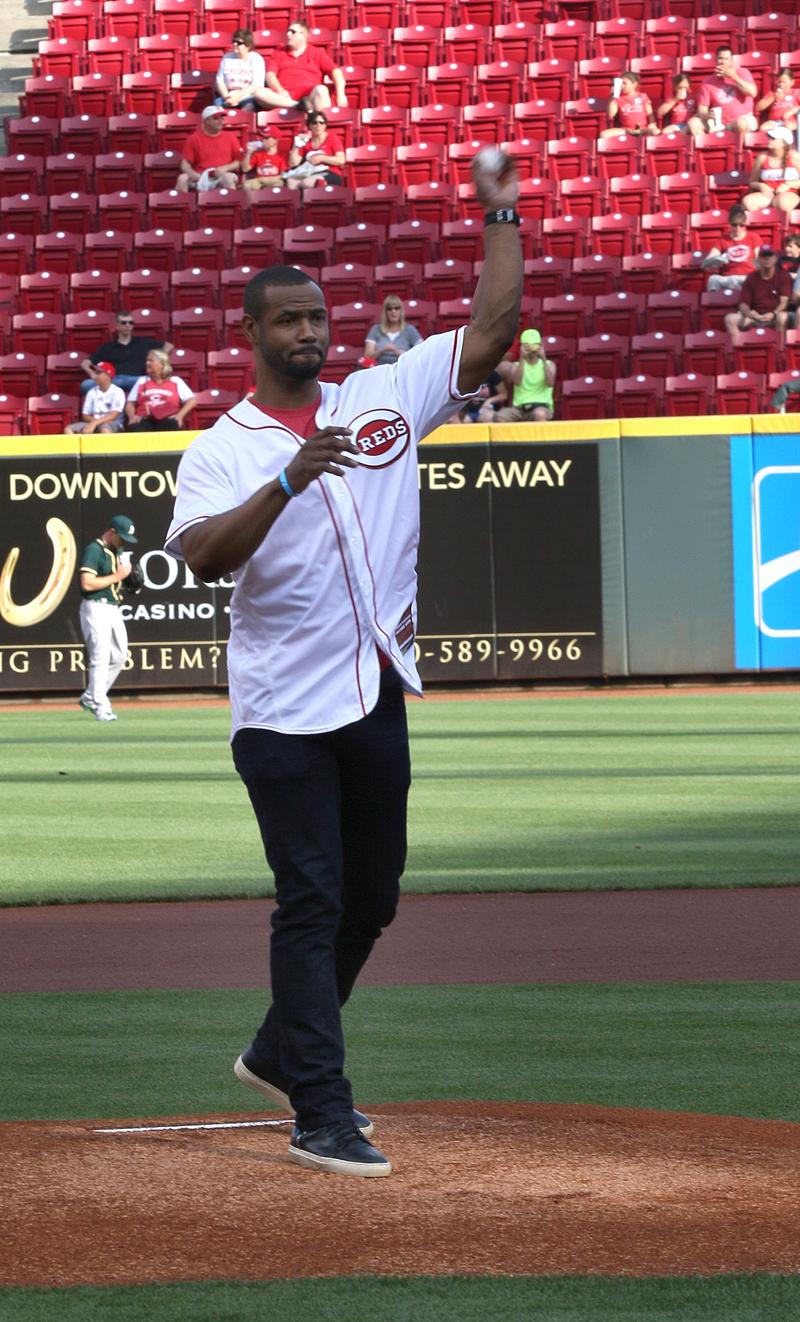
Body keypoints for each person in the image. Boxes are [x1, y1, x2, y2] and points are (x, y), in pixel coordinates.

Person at [163, 148, 523, 1178]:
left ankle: (279, 1046)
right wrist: (284, 479)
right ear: (252, 333)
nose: (309, 332)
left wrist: (500, 218)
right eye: (288, 319)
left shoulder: (381, 396)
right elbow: (201, 558)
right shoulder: (223, 446)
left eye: (317, 316)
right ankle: (320, 1107)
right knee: (310, 898)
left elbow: (491, 330)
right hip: (279, 711)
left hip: (370, 691)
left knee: (372, 898)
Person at [77, 514, 136, 722]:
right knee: (100, 657)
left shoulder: (115, 550)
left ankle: (90, 696)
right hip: (95, 607)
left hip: (112, 607)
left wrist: (126, 581)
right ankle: (101, 707)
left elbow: (118, 579)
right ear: (111, 532)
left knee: (120, 656)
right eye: (121, 538)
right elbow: (87, 583)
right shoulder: (94, 550)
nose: (123, 543)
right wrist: (118, 577)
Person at [260, 19, 348, 114]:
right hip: (284, 98)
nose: (288, 34)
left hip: (310, 97)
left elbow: (336, 72)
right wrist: (280, 90)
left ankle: (321, 123)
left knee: (321, 90)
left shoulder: (316, 52)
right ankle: (297, 105)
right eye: (288, 31)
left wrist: (341, 94)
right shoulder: (279, 53)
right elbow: (270, 75)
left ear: (303, 35)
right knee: (259, 92)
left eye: (293, 32)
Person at [80, 311, 173, 397]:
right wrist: (92, 374)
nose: (128, 325)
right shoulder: (108, 347)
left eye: (131, 323)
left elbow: (169, 345)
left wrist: (159, 359)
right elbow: (85, 363)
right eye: (124, 323)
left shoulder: (143, 342)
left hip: (138, 380)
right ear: (117, 326)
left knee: (157, 381)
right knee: (85, 385)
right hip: (114, 381)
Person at [724, 245, 792, 344]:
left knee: (782, 317)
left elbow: (784, 303)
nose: (767, 258)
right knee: (730, 319)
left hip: (775, 316)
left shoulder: (783, 275)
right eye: (764, 256)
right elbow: (743, 303)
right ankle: (739, 352)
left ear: (775, 258)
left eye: (770, 255)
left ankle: (780, 351)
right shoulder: (752, 277)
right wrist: (750, 313)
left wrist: (773, 314)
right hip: (755, 316)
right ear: (758, 259)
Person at [689, 45, 758, 137]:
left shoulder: (742, 72)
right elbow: (702, 109)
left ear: (732, 61)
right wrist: (707, 115)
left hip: (744, 118)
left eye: (726, 59)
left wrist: (733, 77)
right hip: (718, 123)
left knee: (740, 123)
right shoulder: (708, 81)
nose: (723, 62)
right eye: (720, 58)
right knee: (693, 123)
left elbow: (752, 92)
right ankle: (705, 148)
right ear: (716, 61)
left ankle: (739, 150)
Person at [493, 328, 556, 422]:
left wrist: (543, 359)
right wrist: (522, 357)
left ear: (540, 345)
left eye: (535, 345)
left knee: (539, 414)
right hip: (519, 409)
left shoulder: (549, 364)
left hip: (541, 406)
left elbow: (550, 383)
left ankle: (541, 437)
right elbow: (517, 382)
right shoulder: (516, 365)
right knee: (500, 416)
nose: (531, 348)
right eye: (527, 345)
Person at [176, 105, 242, 193]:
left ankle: (231, 205)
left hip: (222, 175)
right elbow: (185, 163)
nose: (220, 121)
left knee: (228, 178)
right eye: (216, 118)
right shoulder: (194, 138)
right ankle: (183, 206)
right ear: (206, 120)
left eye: (222, 118)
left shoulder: (231, 137)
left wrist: (225, 168)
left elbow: (238, 161)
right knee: (182, 179)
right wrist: (191, 173)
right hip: (201, 176)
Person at [125, 349, 197, 431]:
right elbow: (130, 403)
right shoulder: (142, 381)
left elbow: (191, 401)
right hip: (144, 418)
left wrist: (180, 415)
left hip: (167, 417)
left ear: (162, 364)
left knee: (172, 424)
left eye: (151, 360)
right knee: (135, 426)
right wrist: (132, 417)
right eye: (147, 360)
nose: (147, 363)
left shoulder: (176, 381)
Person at [742, 127, 800, 215]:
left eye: (773, 138)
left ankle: (786, 227)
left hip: (790, 193)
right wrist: (762, 186)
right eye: (769, 137)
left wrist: (788, 185)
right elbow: (752, 181)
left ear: (783, 143)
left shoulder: (794, 157)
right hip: (767, 194)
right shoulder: (762, 157)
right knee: (748, 202)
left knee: (783, 203)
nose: (769, 140)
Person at [700, 205, 756, 293]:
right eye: (734, 225)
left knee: (732, 281)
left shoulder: (753, 237)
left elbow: (759, 258)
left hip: (748, 276)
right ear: (730, 224)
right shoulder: (723, 240)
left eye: (741, 225)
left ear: (745, 225)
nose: (738, 228)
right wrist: (715, 260)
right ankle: (715, 305)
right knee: (713, 279)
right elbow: (707, 261)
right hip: (729, 276)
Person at [284, 111, 346, 189]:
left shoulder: (332, 138)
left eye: (321, 123)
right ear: (309, 126)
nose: (318, 125)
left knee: (307, 182)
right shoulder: (306, 141)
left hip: (330, 172)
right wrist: (296, 145)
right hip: (309, 172)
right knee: (291, 182)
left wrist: (321, 158)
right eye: (314, 123)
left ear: (325, 125)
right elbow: (293, 163)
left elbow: (341, 160)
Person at [214, 30, 269, 113]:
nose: (235, 44)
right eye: (234, 41)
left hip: (248, 96)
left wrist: (237, 96)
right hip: (229, 95)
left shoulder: (256, 59)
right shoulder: (226, 58)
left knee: (249, 106)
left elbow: (256, 85)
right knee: (217, 107)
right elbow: (220, 82)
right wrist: (226, 97)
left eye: (238, 43)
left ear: (248, 45)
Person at [66, 361, 126, 433]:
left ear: (108, 375)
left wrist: (94, 423)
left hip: (113, 423)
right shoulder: (91, 392)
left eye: (99, 373)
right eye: (95, 372)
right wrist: (94, 423)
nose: (95, 375)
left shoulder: (118, 391)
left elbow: (113, 415)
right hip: (94, 422)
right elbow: (85, 415)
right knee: (68, 429)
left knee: (105, 429)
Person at [363, 297, 422, 366]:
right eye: (389, 309)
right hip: (380, 368)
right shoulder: (376, 329)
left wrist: (398, 352)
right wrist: (382, 350)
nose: (393, 311)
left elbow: (421, 354)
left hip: (403, 367)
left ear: (401, 311)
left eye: (396, 308)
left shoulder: (410, 329)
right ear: (385, 312)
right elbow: (367, 357)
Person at [601, 71, 657, 139]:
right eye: (621, 84)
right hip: (626, 130)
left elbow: (650, 114)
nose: (622, 86)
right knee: (604, 134)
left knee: (656, 132)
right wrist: (612, 97)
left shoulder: (642, 96)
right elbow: (611, 114)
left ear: (634, 84)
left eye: (624, 83)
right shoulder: (618, 99)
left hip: (643, 129)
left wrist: (652, 124)